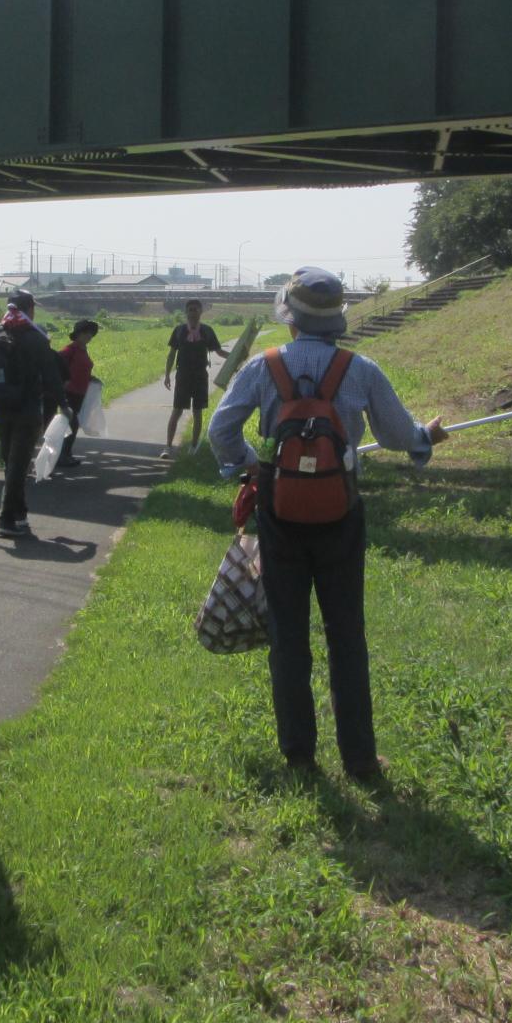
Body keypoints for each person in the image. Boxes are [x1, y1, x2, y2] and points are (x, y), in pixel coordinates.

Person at [208, 268, 447, 783]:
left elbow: (220, 428)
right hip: (341, 512)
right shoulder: (360, 369)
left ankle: (299, 756)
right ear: (337, 319)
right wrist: (425, 437)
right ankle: (360, 760)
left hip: (279, 513)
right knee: (346, 635)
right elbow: (398, 434)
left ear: (289, 319)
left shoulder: (261, 367)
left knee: (288, 636)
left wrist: (247, 463)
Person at [0, 288, 63, 537]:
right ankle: (5, 520)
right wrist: (64, 405)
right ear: (30, 309)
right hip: (27, 408)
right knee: (18, 466)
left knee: (12, 462)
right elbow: (52, 376)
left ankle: (20, 515)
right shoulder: (36, 338)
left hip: (0, 407)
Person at [163, 299, 226, 458]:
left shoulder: (207, 331)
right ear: (186, 312)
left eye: (196, 310)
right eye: (190, 310)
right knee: (176, 411)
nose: (193, 313)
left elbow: (218, 352)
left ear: (201, 312)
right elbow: (171, 355)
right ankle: (168, 447)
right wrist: (167, 375)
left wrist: (235, 356)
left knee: (197, 413)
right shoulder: (179, 331)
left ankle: (193, 447)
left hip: (200, 377)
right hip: (182, 376)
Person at [55, 320, 99, 469]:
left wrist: (90, 378)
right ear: (78, 334)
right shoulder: (69, 350)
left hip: (80, 392)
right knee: (70, 423)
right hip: (69, 392)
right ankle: (62, 456)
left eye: (91, 334)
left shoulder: (83, 349)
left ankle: (66, 454)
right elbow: (58, 367)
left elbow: (82, 369)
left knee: (74, 424)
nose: (89, 336)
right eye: (86, 333)